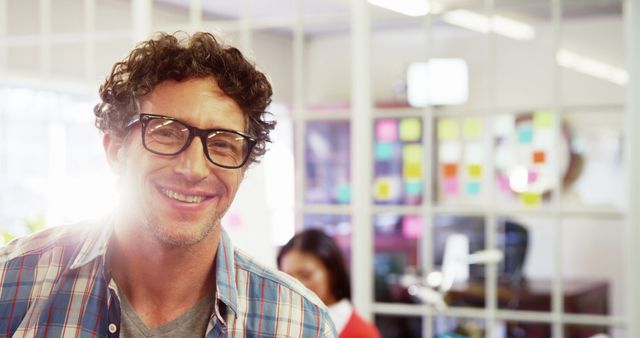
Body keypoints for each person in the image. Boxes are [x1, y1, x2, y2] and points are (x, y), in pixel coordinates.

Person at [0, 32, 336, 338]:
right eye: (165, 133)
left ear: (243, 168)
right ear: (116, 150)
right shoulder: (13, 285)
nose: (193, 168)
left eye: (222, 144)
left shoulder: (300, 323)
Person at [277, 229, 381, 338]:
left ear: (332, 273)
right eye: (287, 277)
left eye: (305, 274)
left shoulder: (362, 333)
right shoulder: (283, 325)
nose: (295, 285)